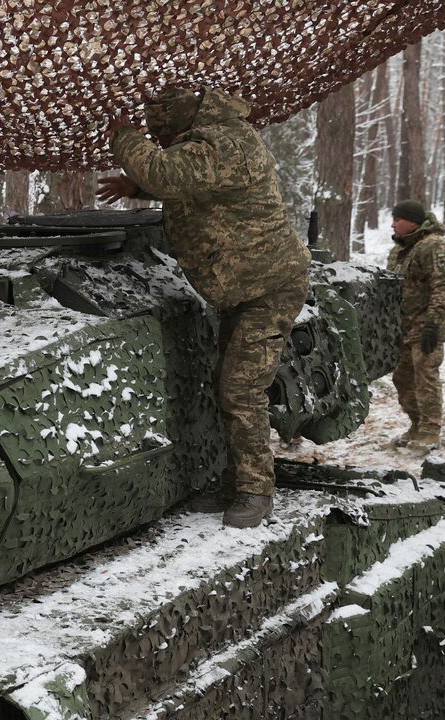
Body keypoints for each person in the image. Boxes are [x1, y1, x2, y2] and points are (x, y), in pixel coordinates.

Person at [97, 87, 310, 528]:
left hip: (268, 288)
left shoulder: (225, 140)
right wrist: (135, 187)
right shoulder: (211, 142)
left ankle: (255, 491)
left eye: (158, 120)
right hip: (241, 287)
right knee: (226, 384)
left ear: (181, 115)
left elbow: (166, 173)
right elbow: (193, 186)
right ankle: (235, 480)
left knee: (240, 389)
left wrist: (123, 136)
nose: (154, 128)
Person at [386, 200, 445, 451]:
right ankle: (416, 425)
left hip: (427, 326)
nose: (393, 223)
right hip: (402, 327)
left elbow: (443, 287)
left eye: (398, 218)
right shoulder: (400, 250)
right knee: (402, 378)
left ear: (413, 222)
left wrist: (432, 324)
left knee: (425, 376)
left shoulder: (435, 246)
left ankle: (430, 431)